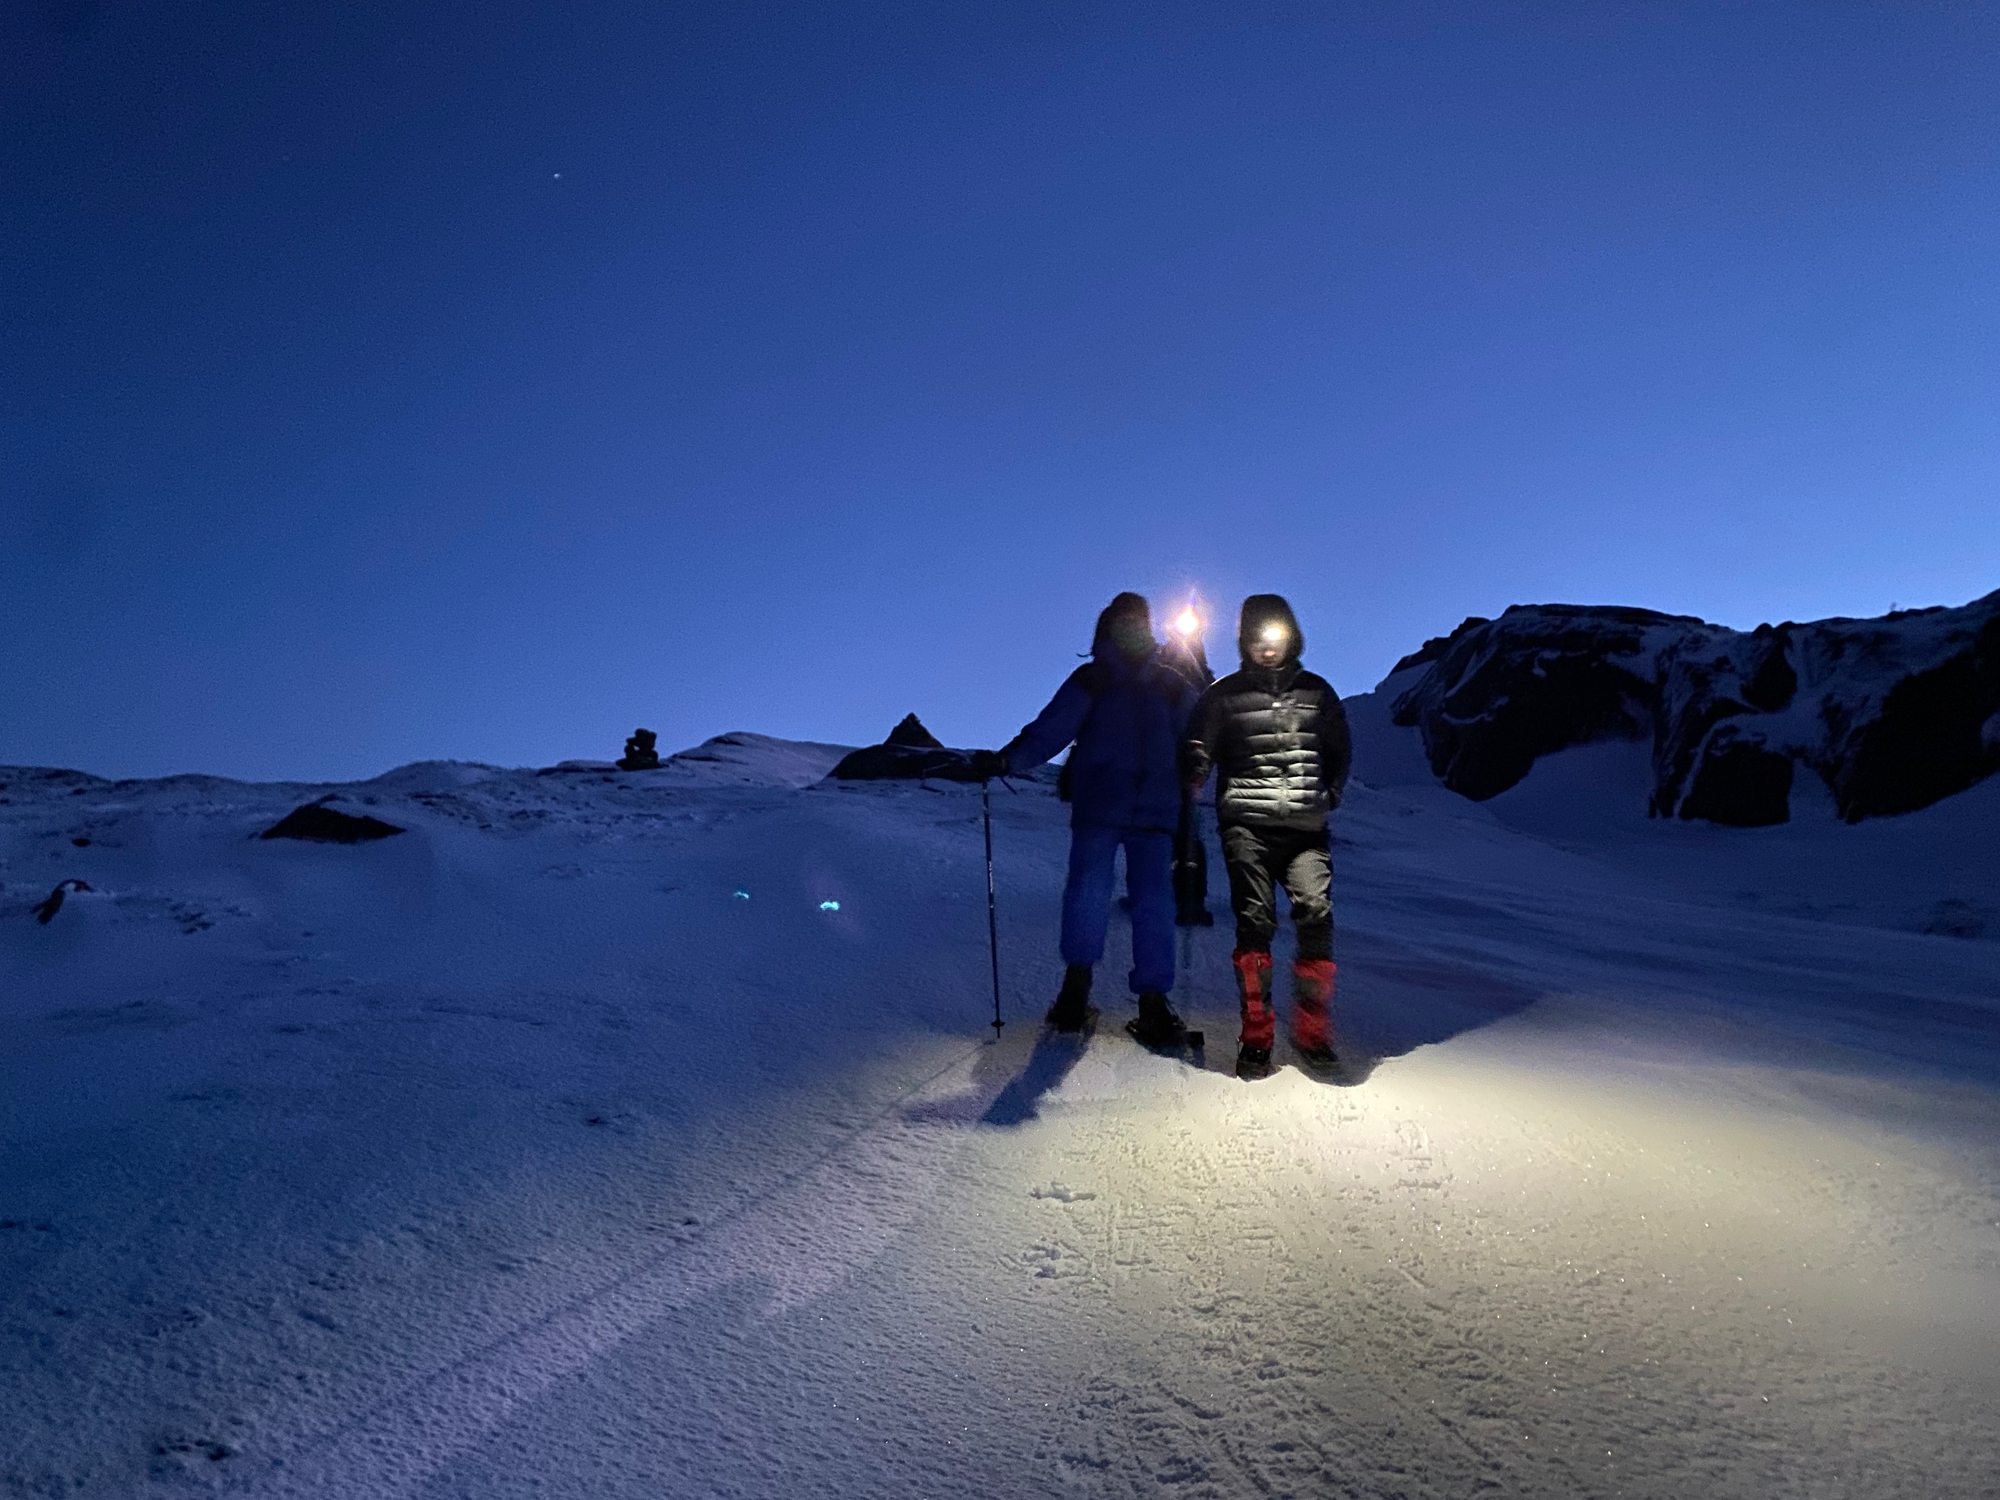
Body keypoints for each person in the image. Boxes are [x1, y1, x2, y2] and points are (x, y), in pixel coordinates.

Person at [970, 593, 1198, 1045]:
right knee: (1146, 901)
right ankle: (1145, 1002)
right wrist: (1009, 760)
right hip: (1145, 807)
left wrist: (1007, 759)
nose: (1133, 629)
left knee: (1096, 893)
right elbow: (1198, 734)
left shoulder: (1105, 678)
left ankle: (1079, 993)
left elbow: (1052, 729)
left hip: (1110, 805)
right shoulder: (1162, 682)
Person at [1181, 594, 1352, 1079]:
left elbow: (1339, 748)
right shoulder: (1223, 695)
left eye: (1275, 637)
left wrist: (1330, 792)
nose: (1268, 648)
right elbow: (1199, 741)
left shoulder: (1318, 692)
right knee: (1255, 921)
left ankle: (1312, 1031)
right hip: (1247, 826)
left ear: (1291, 636)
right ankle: (1256, 1035)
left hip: (1306, 829)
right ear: (1245, 642)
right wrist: (1195, 765)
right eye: (1258, 639)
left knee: (1316, 914)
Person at [1158, 606, 1216, 927]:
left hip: (1178, 756)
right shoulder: (1193, 668)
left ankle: (1186, 897)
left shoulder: (1190, 667)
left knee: (1180, 828)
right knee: (1178, 828)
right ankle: (1184, 896)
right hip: (1174, 755)